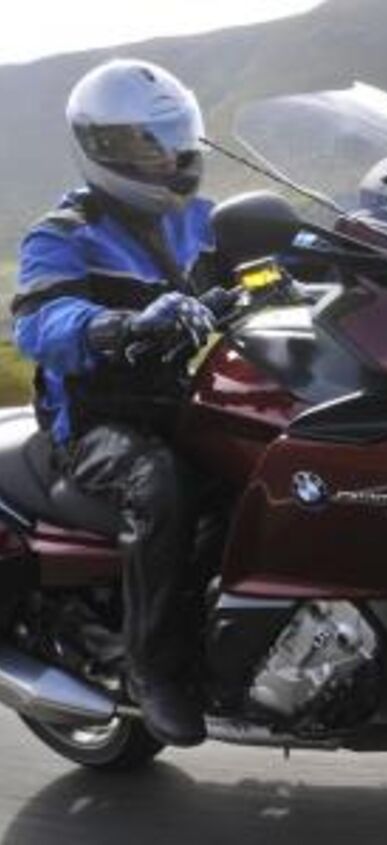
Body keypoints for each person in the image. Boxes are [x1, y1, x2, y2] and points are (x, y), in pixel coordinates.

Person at [11, 58, 229, 747]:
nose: (169, 157)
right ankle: (152, 668)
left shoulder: (203, 219)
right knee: (157, 483)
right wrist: (117, 327)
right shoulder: (64, 233)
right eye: (147, 143)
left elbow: (285, 257)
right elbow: (39, 323)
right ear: (102, 148)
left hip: (183, 401)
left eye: (175, 137)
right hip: (95, 423)